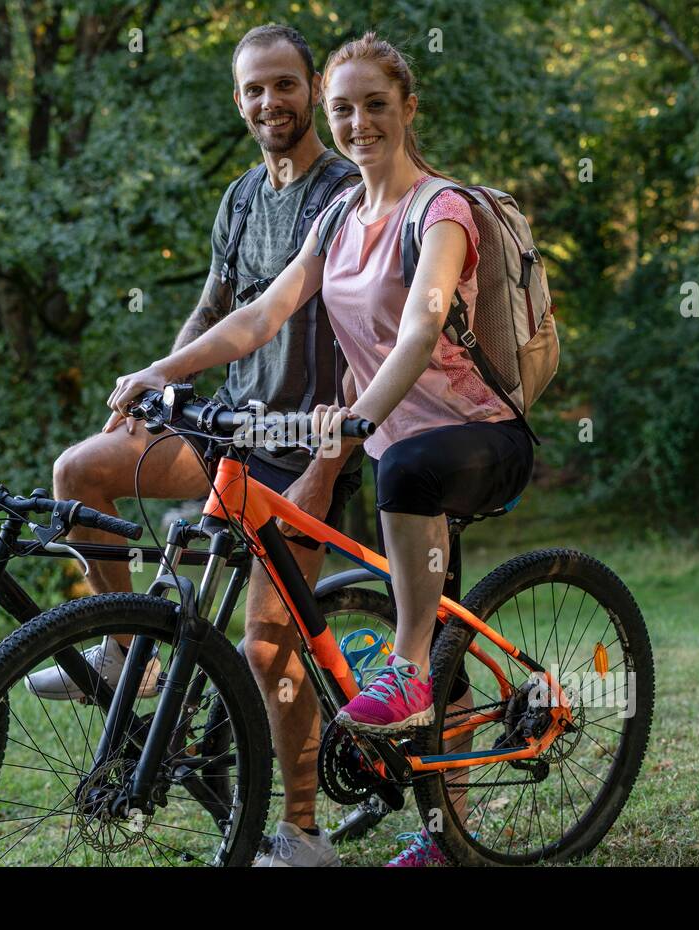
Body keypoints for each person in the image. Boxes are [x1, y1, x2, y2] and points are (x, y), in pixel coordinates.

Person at [108, 32, 535, 866]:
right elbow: (258, 315)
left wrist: (358, 420)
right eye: (344, 108)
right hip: (394, 445)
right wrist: (161, 367)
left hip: (477, 437)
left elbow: (420, 324)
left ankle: (407, 673)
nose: (358, 122)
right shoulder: (340, 212)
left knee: (408, 474)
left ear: (408, 108)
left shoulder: (439, 210)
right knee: (405, 527)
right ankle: (446, 830)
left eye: (376, 104)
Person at [32, 24, 363, 866]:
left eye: (284, 85)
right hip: (229, 435)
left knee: (264, 648)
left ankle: (300, 831)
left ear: (312, 86)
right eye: (253, 89)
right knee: (80, 471)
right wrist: (162, 392)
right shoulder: (241, 198)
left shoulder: (346, 194)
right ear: (238, 99)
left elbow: (371, 343)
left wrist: (329, 467)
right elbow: (216, 310)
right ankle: (124, 659)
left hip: (306, 447)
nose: (269, 103)